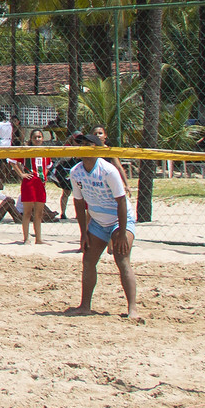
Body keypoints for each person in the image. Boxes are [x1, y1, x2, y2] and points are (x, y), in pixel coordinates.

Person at [68, 135, 135, 316]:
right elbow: (79, 204)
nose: (83, 148)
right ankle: (84, 306)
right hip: (98, 221)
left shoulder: (108, 170)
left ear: (97, 149)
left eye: (88, 145)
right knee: (88, 260)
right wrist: (84, 233)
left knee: (121, 259)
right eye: (81, 144)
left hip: (120, 219)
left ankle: (132, 309)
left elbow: (121, 202)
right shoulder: (76, 172)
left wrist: (121, 233)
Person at [18, 130, 49, 245]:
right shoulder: (27, 151)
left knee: (39, 213)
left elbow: (48, 165)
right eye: (35, 137)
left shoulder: (45, 152)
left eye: (39, 137)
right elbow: (12, 161)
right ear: (31, 139)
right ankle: (26, 238)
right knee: (27, 212)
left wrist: (44, 175)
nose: (37, 139)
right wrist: (21, 174)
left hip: (40, 184)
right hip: (29, 183)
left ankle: (39, 239)